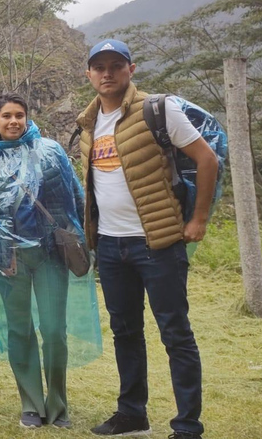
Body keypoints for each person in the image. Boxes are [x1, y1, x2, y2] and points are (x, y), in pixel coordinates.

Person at [78, 39, 218, 439]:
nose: (107, 73)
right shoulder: (88, 123)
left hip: (157, 243)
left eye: (115, 65)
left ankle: (188, 426)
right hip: (109, 244)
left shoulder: (159, 109)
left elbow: (207, 160)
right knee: (125, 331)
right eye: (99, 66)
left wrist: (199, 220)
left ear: (131, 69)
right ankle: (132, 415)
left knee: (175, 332)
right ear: (89, 73)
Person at [0, 93, 102, 429]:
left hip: (49, 255)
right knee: (20, 330)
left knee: (55, 330)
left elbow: (74, 197)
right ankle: (31, 403)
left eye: (19, 115)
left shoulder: (51, 152)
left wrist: (87, 238)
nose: (13, 121)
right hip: (8, 259)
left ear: (27, 118)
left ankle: (58, 405)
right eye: (6, 116)